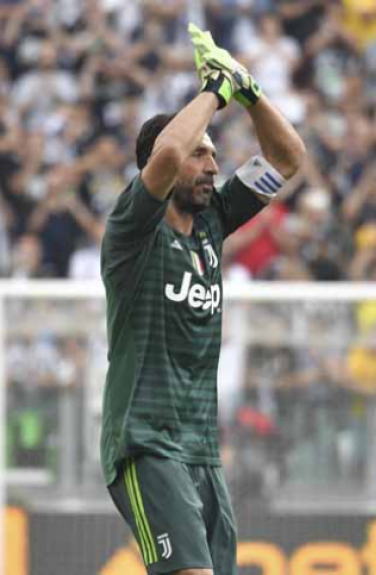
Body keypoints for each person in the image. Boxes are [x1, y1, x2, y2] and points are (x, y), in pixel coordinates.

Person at [100, 24, 305, 575]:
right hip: (146, 443)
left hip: (201, 450)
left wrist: (248, 91)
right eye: (201, 155)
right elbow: (166, 151)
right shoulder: (132, 229)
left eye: (214, 156)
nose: (214, 167)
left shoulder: (213, 220)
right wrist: (213, 92)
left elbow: (287, 157)